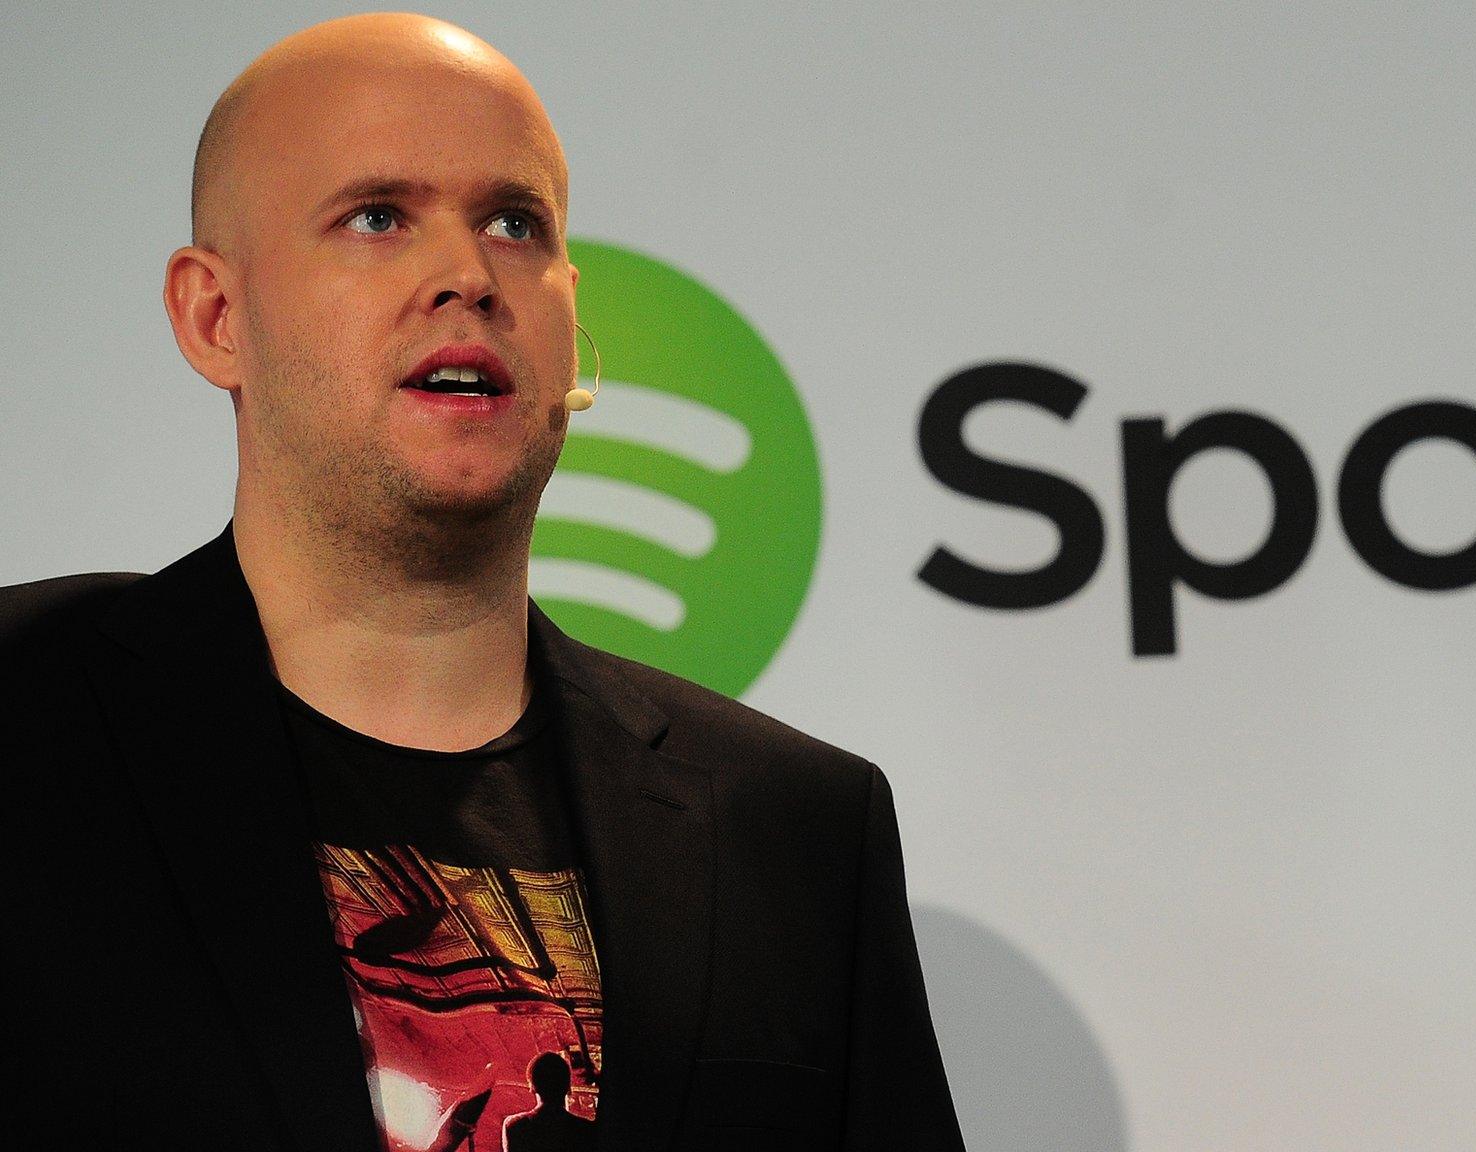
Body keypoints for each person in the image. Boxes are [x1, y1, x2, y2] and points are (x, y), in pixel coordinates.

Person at [0, 13, 964, 1150]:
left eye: (514, 223)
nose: (466, 275)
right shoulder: (27, 723)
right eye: (377, 217)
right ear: (216, 316)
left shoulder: (793, 830)